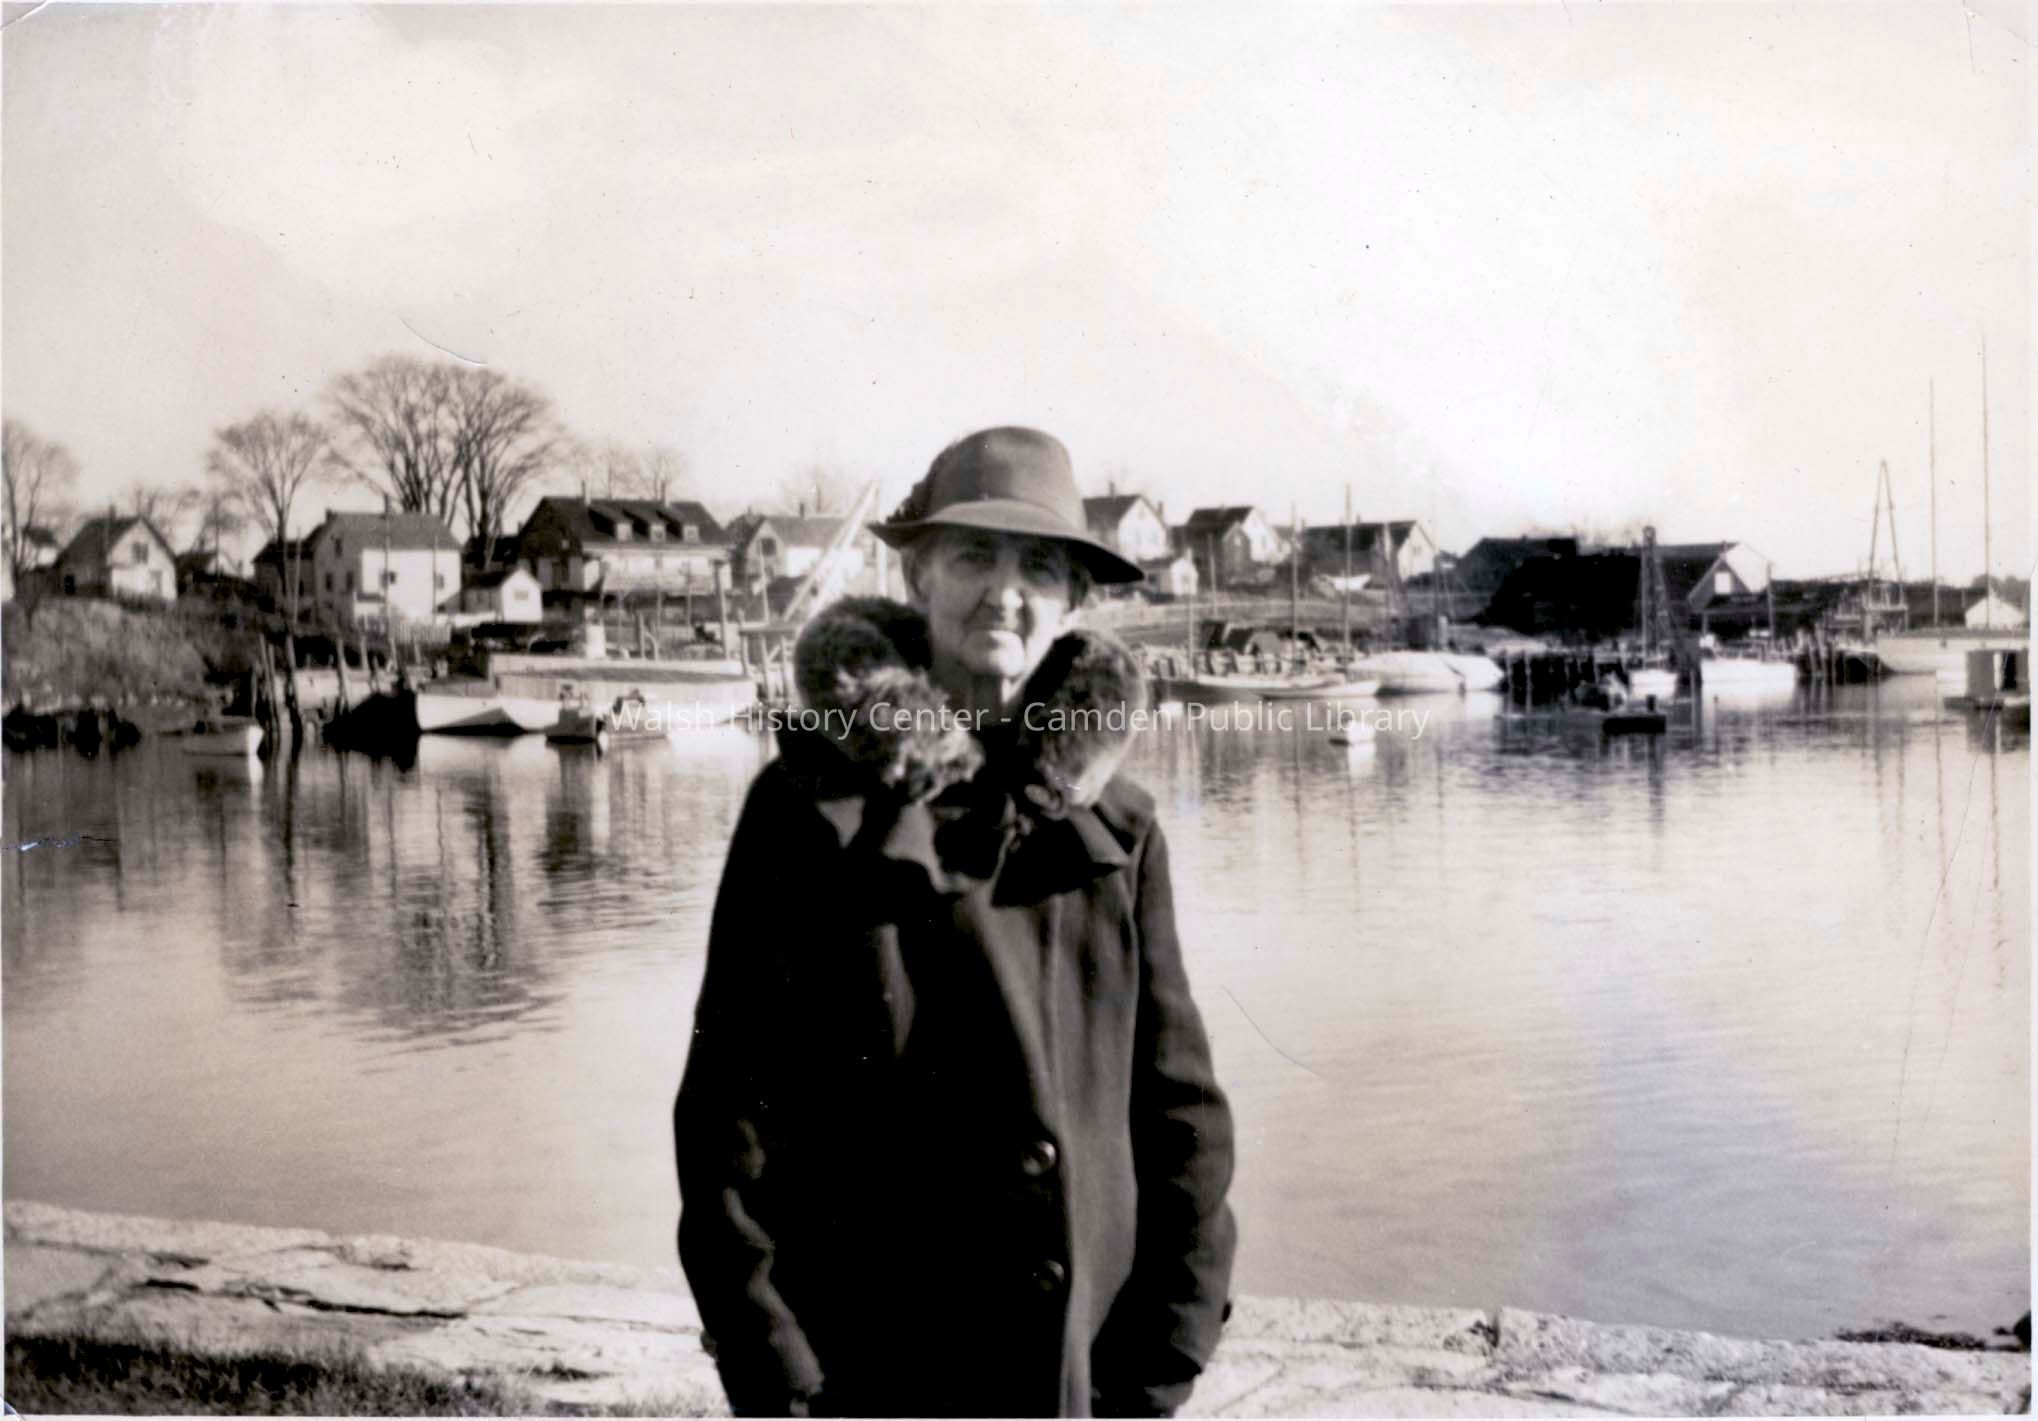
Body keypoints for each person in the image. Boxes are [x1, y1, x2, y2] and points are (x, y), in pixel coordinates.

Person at [674, 427, 1237, 1418]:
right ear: (919, 573)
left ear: (1072, 599)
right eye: (975, 556)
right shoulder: (807, 809)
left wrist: (1163, 1357)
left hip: (1081, 1378)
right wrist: (781, 1376)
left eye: (1040, 568)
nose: (1005, 592)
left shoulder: (1117, 830)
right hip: (868, 1375)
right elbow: (728, 1120)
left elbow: (1179, 1114)